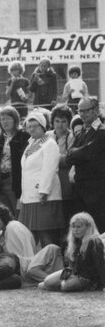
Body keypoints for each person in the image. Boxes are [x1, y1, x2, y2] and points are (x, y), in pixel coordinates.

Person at [17, 112, 64, 247]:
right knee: (30, 237)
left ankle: (54, 265)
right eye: (29, 126)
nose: (31, 129)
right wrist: (23, 195)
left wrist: (43, 191)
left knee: (46, 236)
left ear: (43, 126)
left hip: (44, 197)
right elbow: (26, 172)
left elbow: (49, 169)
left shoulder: (49, 143)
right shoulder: (30, 144)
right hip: (29, 198)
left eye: (35, 126)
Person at [65, 98, 105, 231]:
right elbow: (68, 157)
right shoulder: (82, 131)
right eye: (79, 110)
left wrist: (76, 152)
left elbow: (88, 153)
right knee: (81, 229)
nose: (82, 114)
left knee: (99, 228)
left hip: (97, 189)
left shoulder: (102, 131)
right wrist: (78, 153)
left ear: (96, 110)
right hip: (80, 188)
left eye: (86, 110)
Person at [38, 212, 105, 292]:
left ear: (88, 227)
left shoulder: (94, 241)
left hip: (87, 277)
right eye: (73, 227)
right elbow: (69, 265)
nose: (75, 230)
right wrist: (67, 275)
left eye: (79, 227)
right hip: (73, 272)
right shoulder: (73, 241)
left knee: (65, 286)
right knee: (46, 282)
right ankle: (60, 284)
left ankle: (65, 285)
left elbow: (101, 264)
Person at [0, 106, 28, 215]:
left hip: (16, 180)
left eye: (8, 118)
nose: (5, 122)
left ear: (15, 119)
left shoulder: (23, 136)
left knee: (18, 213)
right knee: (5, 213)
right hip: (1, 181)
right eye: (2, 119)